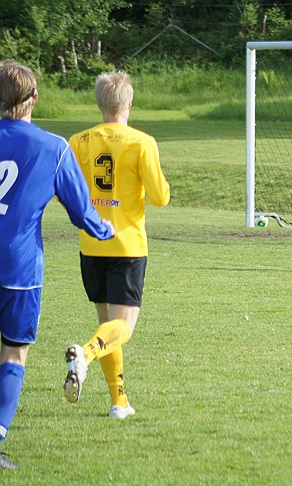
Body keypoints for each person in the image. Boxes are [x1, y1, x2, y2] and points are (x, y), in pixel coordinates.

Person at [0, 60, 116, 469]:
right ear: (34, 98)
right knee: (13, 355)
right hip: (19, 269)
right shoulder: (53, 147)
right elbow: (82, 212)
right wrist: (105, 230)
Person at [64, 71, 170, 419]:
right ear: (129, 103)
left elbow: (67, 192)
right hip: (126, 245)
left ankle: (119, 402)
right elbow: (159, 197)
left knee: (107, 325)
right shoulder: (142, 142)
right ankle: (85, 354)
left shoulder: (78, 141)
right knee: (122, 328)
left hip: (91, 245)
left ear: (99, 103)